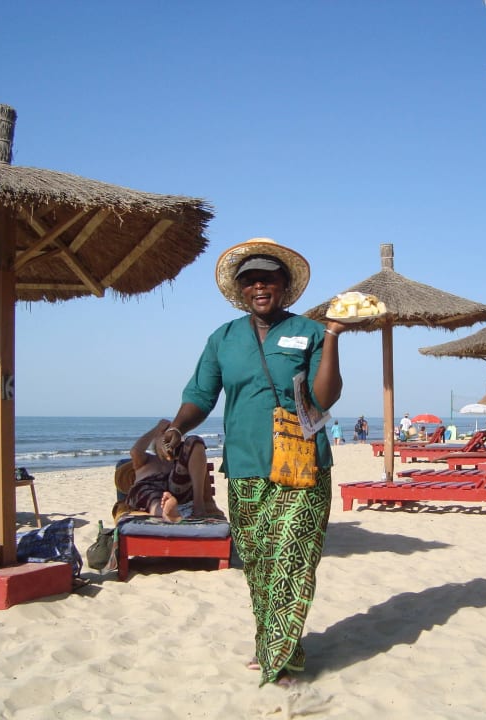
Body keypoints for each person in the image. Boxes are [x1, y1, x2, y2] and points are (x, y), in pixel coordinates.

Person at [160, 238, 345, 688]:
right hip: (244, 466)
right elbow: (201, 396)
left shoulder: (313, 331)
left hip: (303, 465)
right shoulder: (223, 339)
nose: (260, 287)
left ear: (284, 285)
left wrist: (335, 335)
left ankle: (278, 663)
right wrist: (178, 428)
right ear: (241, 290)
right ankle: (274, 643)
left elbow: (325, 397)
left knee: (292, 559)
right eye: (250, 281)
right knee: (261, 563)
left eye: (268, 279)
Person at [125, 419, 217, 522]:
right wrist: (157, 429)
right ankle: (166, 512)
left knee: (195, 440)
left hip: (173, 492)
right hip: (148, 488)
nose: (167, 438)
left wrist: (176, 435)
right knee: (153, 497)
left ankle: (197, 506)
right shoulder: (146, 459)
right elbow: (135, 451)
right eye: (164, 435)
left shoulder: (178, 464)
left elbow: (194, 449)